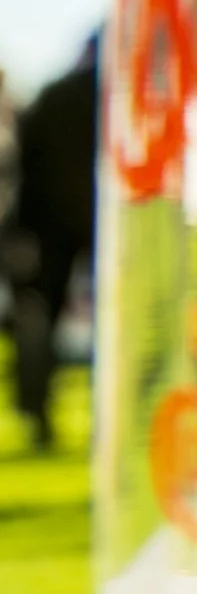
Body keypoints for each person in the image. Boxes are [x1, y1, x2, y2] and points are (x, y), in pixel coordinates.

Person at [3, 35, 98, 449]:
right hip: (89, 225)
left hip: (48, 227)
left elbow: (24, 164)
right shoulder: (115, 100)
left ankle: (36, 410)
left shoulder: (53, 96)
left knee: (39, 317)